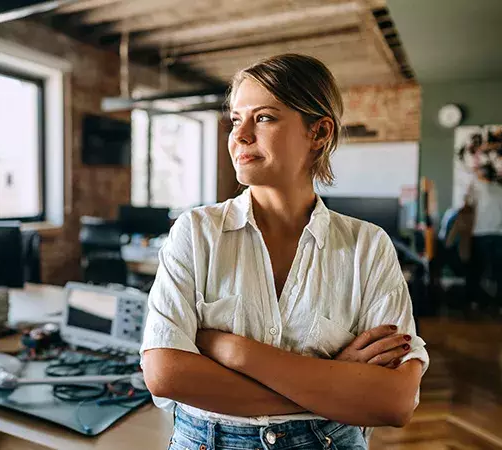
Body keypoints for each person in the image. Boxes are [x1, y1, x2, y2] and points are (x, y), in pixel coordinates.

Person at [140, 54, 429, 450]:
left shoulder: (367, 245)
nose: (239, 135)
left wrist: (233, 350)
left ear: (319, 132)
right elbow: (166, 375)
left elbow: (393, 401)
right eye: (235, 119)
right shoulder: (195, 232)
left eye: (263, 117)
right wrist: (332, 382)